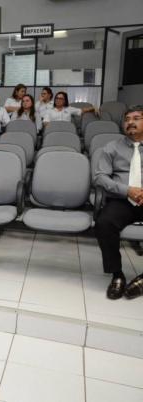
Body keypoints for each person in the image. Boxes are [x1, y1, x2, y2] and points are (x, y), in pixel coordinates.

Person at [94, 105, 143, 300]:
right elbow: (100, 177)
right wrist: (127, 190)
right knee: (104, 223)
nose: (130, 122)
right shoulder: (112, 147)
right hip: (123, 199)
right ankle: (117, 274)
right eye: (127, 119)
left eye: (136, 118)